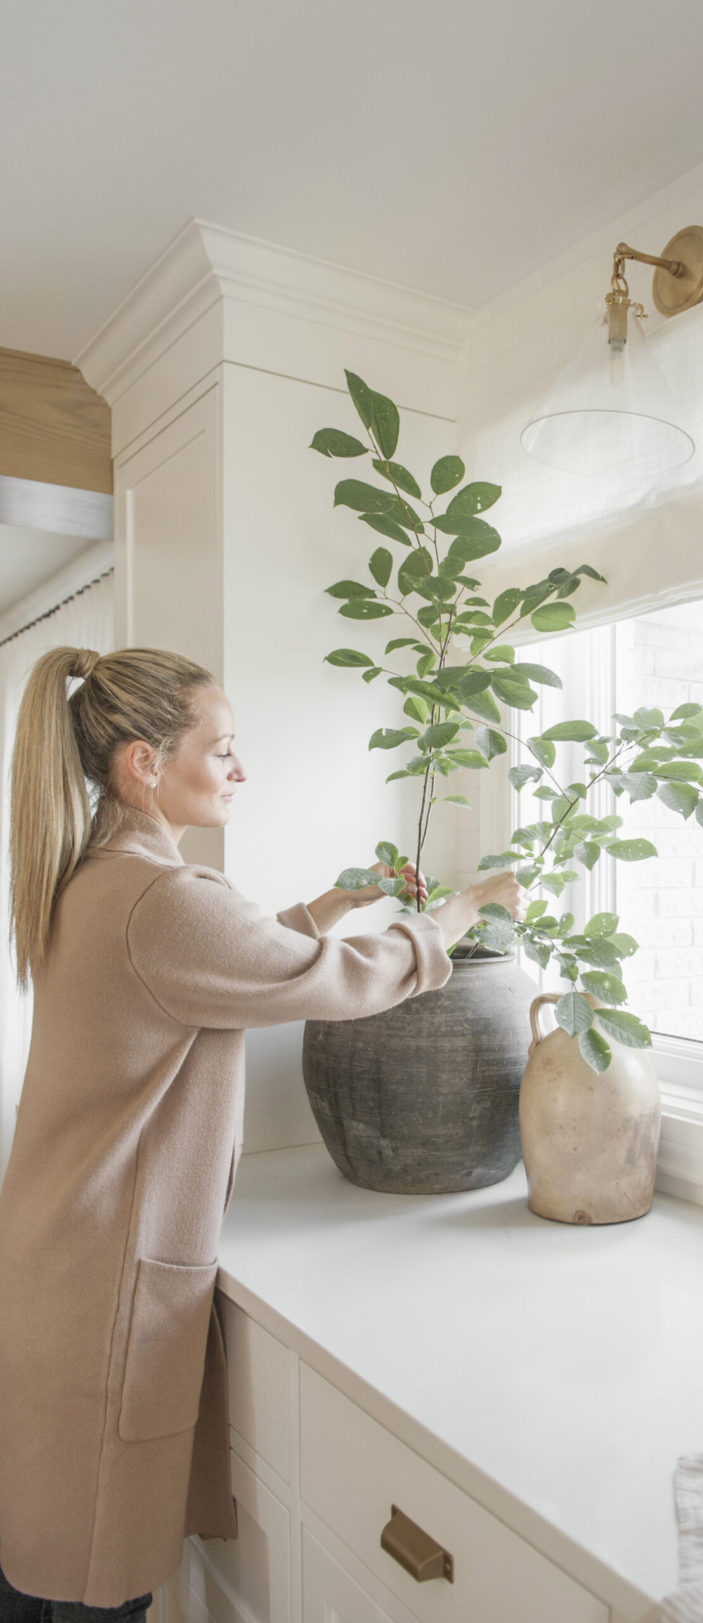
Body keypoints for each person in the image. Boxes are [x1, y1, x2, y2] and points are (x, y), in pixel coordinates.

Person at [0, 645, 524, 1618]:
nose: (243, 772)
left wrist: (331, 902)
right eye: (225, 749)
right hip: (103, 1288)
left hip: (58, 1265)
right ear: (145, 765)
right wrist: (455, 913)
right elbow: (323, 980)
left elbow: (224, 958)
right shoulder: (163, 900)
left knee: (44, 1565)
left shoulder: (104, 877)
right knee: (84, 1587)